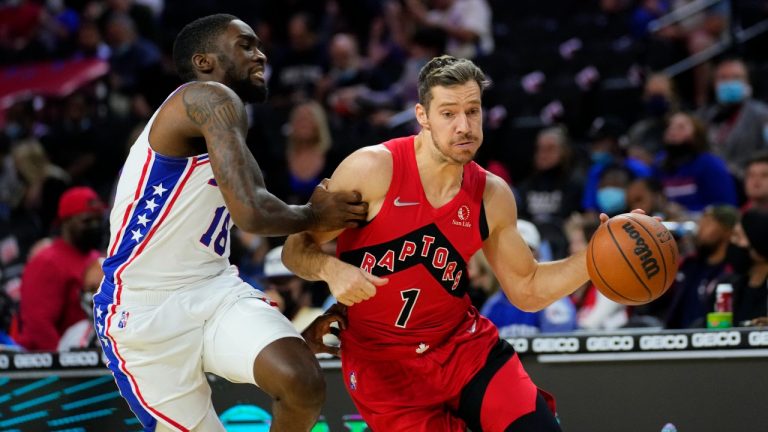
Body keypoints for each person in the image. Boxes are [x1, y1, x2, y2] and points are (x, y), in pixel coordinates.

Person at [283, 55, 631, 432]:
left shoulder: (492, 195)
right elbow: (295, 247)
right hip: (385, 369)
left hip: (463, 349)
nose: (464, 126)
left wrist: (593, 257)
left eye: (473, 111)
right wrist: (330, 269)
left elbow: (527, 289)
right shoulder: (371, 170)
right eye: (448, 113)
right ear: (423, 115)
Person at [93, 14, 367, 432]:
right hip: (143, 310)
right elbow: (252, 214)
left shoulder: (225, 122)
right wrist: (315, 215)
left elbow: (258, 203)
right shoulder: (208, 99)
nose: (261, 54)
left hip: (215, 287)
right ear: (204, 62)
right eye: (245, 45)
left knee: (301, 381)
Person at [16, 186, 105, 351]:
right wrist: (62, 362)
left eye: (98, 219)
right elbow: (38, 323)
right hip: (50, 361)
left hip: (90, 350)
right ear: (66, 221)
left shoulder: (95, 257)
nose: (95, 225)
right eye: (87, 220)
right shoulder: (47, 260)